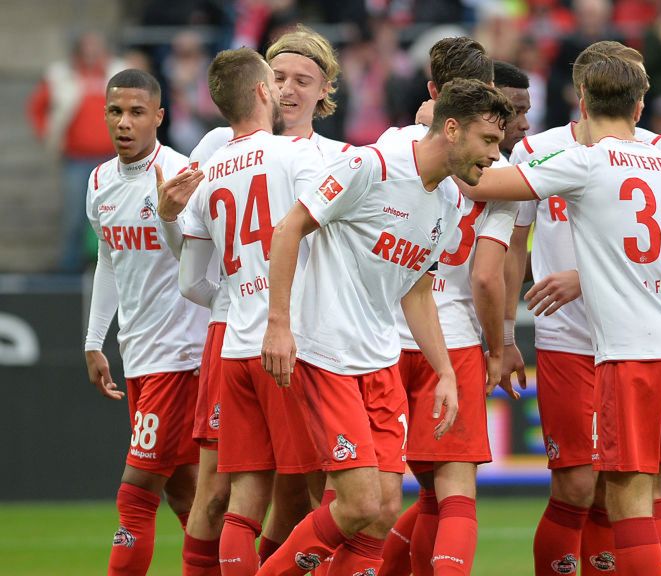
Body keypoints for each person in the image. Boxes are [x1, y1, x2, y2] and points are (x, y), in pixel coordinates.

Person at [464, 53, 661, 576]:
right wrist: (507, 333)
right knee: (599, 487)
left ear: (581, 97)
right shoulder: (659, 155)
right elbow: (516, 250)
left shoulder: (585, 159)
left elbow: (479, 185)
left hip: (627, 345)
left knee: (624, 493)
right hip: (605, 340)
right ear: (639, 104)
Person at [255, 78, 515, 576]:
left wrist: (444, 372)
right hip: (327, 353)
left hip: (380, 362)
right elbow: (289, 228)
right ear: (453, 129)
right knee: (356, 504)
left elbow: (415, 291)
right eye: (488, 141)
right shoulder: (368, 166)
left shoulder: (449, 205)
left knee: (383, 509)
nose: (494, 157)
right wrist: (279, 324)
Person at [155, 26, 352, 574]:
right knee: (223, 492)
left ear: (324, 89)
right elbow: (195, 258)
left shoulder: (336, 154)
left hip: (279, 333)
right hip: (258, 332)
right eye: (279, 76)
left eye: (302, 80)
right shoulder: (221, 146)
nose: (288, 88)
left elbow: (194, 270)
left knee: (287, 495)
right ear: (262, 86)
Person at [376, 55, 530, 576]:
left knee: (380, 498)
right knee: (454, 494)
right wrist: (498, 346)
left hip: (381, 336)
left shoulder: (391, 145)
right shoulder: (498, 173)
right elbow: (488, 276)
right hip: (453, 338)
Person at [83, 68, 208, 575]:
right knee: (185, 490)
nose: (125, 123)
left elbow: (200, 266)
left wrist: (170, 216)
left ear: (159, 115)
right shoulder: (99, 181)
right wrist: (95, 340)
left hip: (180, 357)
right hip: (138, 358)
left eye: (137, 112)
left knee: (135, 493)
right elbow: (109, 259)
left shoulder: (183, 176)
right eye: (116, 111)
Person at [28, 31, 126, 272]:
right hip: (76, 159)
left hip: (113, 160)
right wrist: (48, 136)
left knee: (117, 215)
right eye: (87, 49)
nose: (92, 54)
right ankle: (69, 270)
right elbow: (36, 107)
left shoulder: (118, 73)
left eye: (96, 48)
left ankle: (116, 267)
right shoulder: (62, 77)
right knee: (75, 216)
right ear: (79, 52)